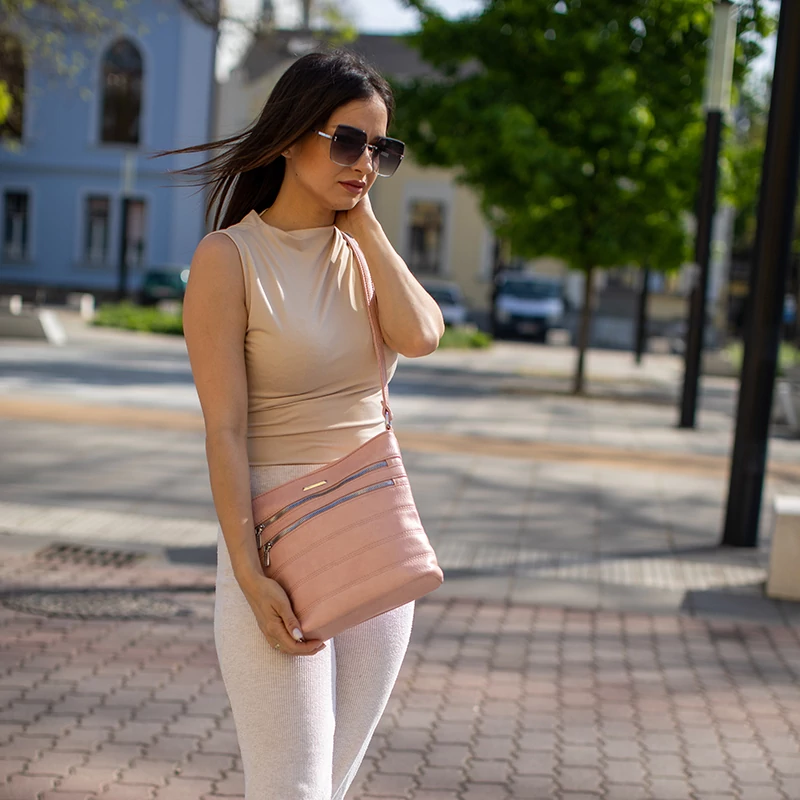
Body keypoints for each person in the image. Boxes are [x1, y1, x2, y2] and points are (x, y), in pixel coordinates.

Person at [173, 49, 444, 799]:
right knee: (290, 790)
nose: (365, 164)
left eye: (381, 149)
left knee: (329, 787)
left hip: (372, 533)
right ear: (292, 138)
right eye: (348, 141)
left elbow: (422, 334)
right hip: (275, 542)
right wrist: (249, 572)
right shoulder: (229, 258)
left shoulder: (361, 253)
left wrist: (367, 227)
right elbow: (224, 431)